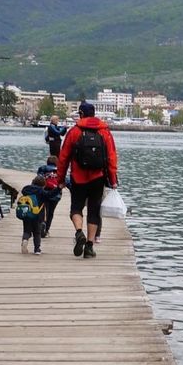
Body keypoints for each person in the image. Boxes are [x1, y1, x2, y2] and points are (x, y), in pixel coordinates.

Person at [56, 101, 118, 258]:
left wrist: (60, 179)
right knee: (94, 211)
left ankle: (78, 232)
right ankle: (89, 246)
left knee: (76, 208)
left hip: (78, 177)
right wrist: (113, 179)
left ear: (81, 114)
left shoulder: (74, 132)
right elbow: (111, 157)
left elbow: (63, 158)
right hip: (98, 177)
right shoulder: (105, 132)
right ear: (95, 114)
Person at [17, 175, 47, 255]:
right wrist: (58, 189)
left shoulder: (26, 189)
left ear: (33, 182)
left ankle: (25, 240)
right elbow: (50, 195)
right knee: (37, 232)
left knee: (26, 230)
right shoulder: (41, 191)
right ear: (43, 184)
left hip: (27, 213)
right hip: (37, 215)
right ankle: (37, 249)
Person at [36, 154, 62, 237]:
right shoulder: (60, 170)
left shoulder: (43, 168)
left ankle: (42, 224)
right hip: (56, 194)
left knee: (44, 210)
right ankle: (47, 230)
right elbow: (66, 181)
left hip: (45, 192)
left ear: (47, 162)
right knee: (51, 213)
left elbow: (38, 179)